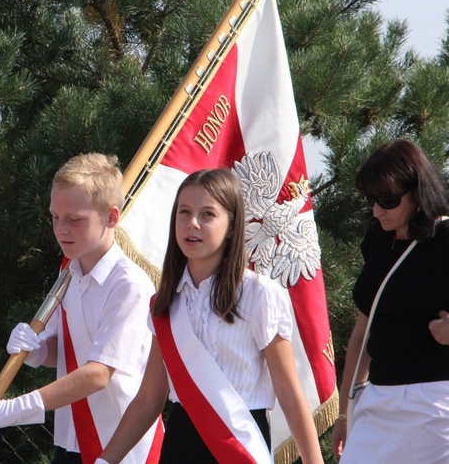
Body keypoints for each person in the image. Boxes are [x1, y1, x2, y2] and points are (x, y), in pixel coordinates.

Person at [97, 168, 323, 464]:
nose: (192, 223)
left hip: (240, 445)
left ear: (231, 225)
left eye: (207, 214)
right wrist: (104, 461)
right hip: (180, 443)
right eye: (184, 212)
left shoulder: (260, 295)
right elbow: (149, 399)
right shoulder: (165, 302)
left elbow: (290, 393)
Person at [0, 153, 164, 463]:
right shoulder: (69, 272)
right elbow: (66, 350)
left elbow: (99, 373)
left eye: (75, 219)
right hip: (73, 438)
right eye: (55, 216)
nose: (61, 229)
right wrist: (37, 352)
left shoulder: (129, 285)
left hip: (120, 446)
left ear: (112, 217)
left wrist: (14, 409)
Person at [331, 139, 449, 462]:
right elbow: (360, 335)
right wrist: (343, 415)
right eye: (373, 199)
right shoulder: (377, 241)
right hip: (377, 402)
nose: (377, 209)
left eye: (388, 199)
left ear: (417, 192)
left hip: (436, 406)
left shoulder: (445, 238)